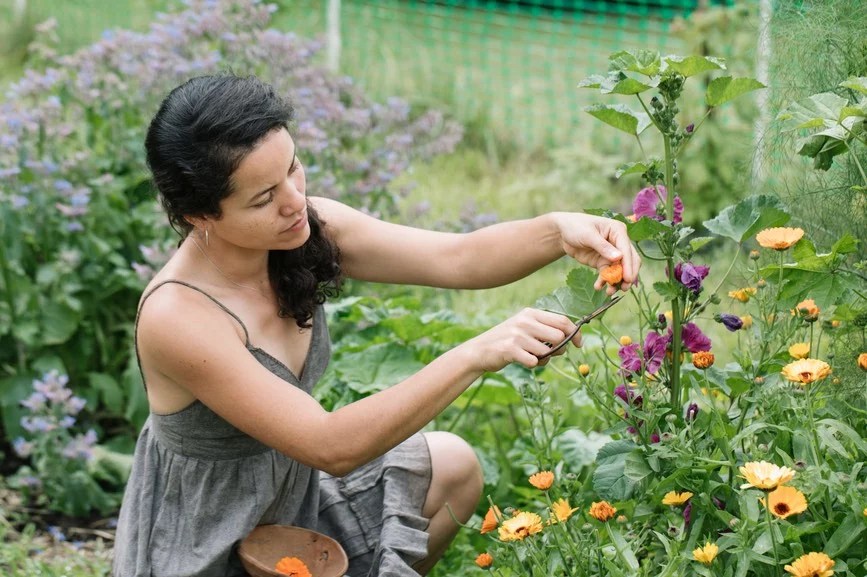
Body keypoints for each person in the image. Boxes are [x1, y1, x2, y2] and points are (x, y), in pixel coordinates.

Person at [111, 73, 640, 577]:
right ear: (202, 215)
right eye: (263, 198)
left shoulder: (299, 229)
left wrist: (558, 230)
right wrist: (480, 351)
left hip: (297, 503)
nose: (295, 202)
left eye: (292, 169)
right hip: (206, 543)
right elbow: (329, 445)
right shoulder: (179, 316)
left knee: (451, 465)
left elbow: (458, 258)